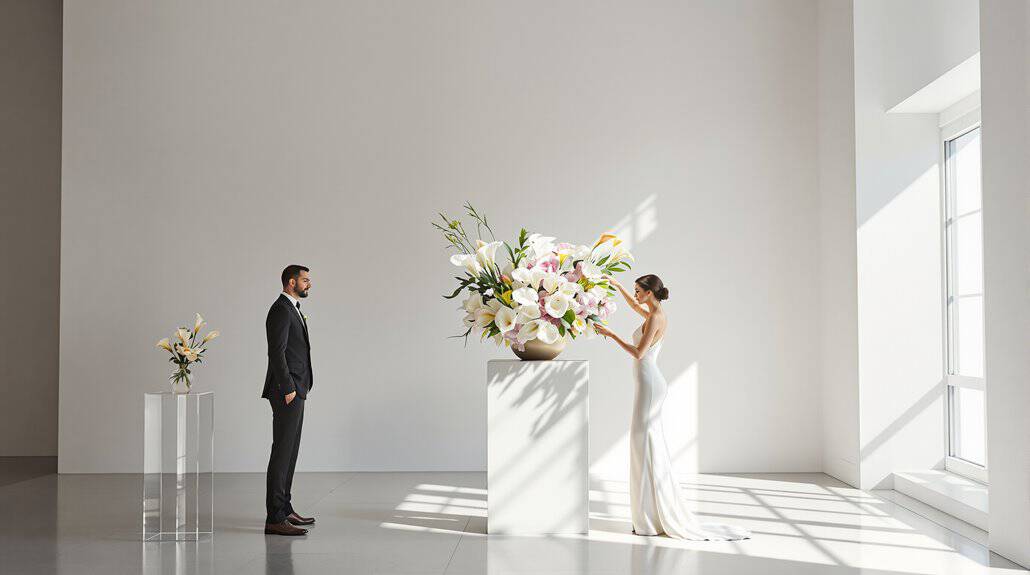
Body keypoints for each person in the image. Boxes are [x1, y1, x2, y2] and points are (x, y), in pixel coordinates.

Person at [594, 274, 750, 541]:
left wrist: (610, 334)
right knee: (643, 443)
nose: (635, 296)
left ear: (649, 293)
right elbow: (633, 307)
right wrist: (618, 286)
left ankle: (648, 518)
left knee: (642, 442)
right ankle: (647, 517)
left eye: (638, 291)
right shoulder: (654, 312)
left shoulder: (655, 318)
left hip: (650, 383)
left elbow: (638, 353)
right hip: (649, 382)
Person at [262, 265, 317, 536]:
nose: (309, 284)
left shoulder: (293, 308)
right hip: (287, 391)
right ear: (291, 282)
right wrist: (288, 388)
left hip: (298, 388)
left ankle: (285, 509)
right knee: (282, 452)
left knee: (291, 452)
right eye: (306, 280)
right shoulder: (280, 309)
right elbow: (277, 352)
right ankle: (274, 517)